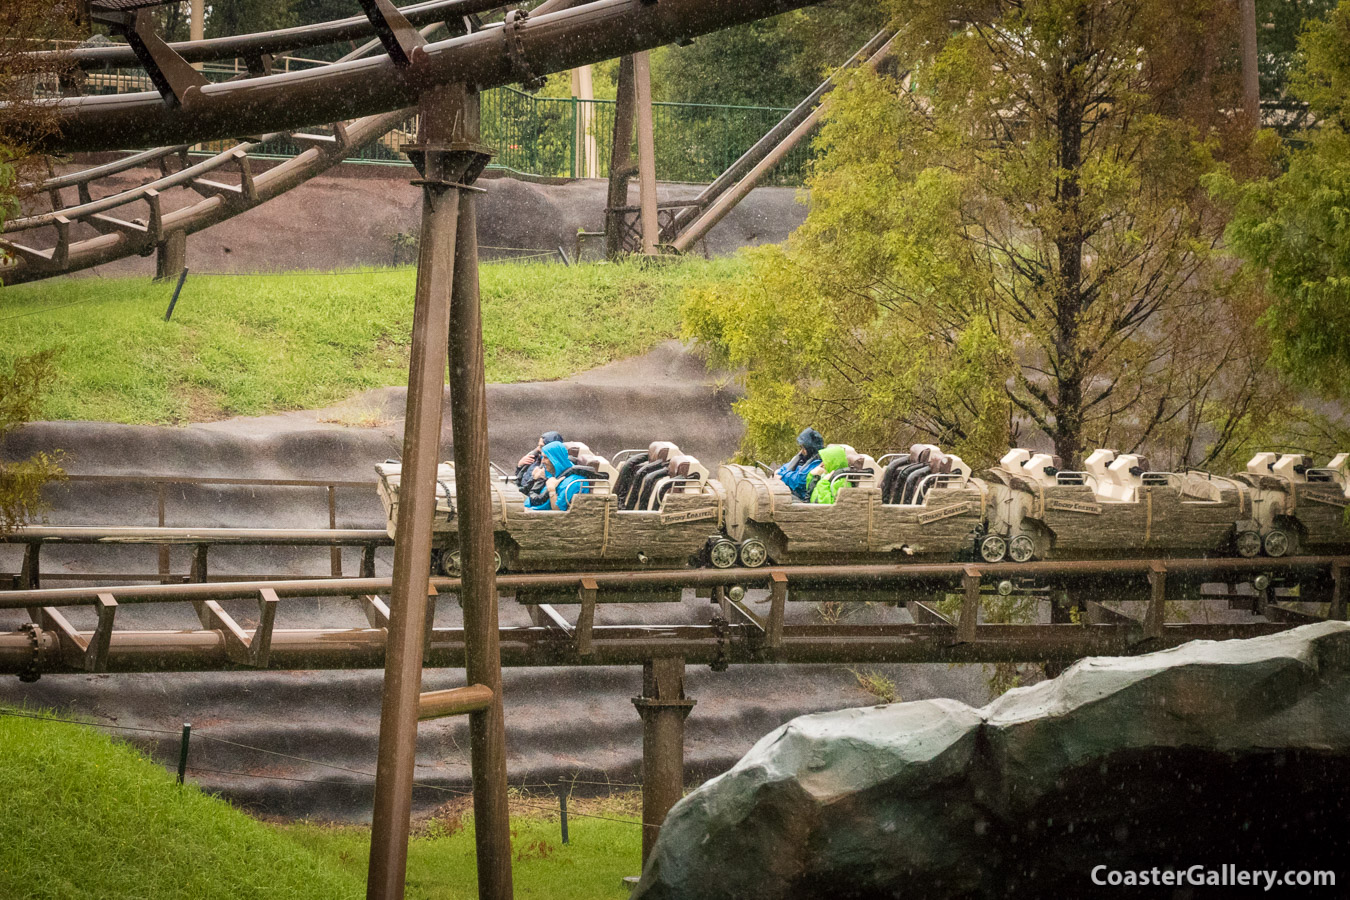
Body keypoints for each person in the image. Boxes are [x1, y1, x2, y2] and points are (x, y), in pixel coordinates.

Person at [524, 440, 590, 511]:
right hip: (531, 507)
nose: (542, 461)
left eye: (546, 458)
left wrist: (552, 490)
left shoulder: (573, 483)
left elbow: (558, 511)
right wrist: (536, 479)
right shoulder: (556, 473)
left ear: (555, 459)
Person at [775, 427, 825, 501]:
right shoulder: (804, 458)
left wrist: (782, 475)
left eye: (803, 448)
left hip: (803, 499)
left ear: (810, 448)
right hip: (796, 494)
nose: (802, 451)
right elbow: (784, 468)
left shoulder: (818, 462)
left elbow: (800, 480)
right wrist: (780, 473)